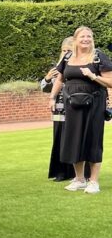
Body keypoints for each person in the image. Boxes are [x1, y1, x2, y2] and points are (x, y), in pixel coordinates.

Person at [50, 25, 112, 194]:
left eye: (89, 36)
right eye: (82, 36)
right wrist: (52, 98)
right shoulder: (68, 57)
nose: (86, 39)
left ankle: (93, 181)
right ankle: (79, 179)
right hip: (72, 105)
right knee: (73, 140)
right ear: (75, 39)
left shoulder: (99, 57)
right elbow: (59, 79)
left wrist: (93, 76)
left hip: (94, 105)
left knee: (93, 140)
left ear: (92, 39)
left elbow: (110, 82)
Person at [41, 38, 75, 182]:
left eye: (69, 50)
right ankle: (60, 172)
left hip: (74, 109)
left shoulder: (77, 67)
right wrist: (47, 78)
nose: (66, 53)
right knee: (59, 141)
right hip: (59, 111)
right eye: (64, 50)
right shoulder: (56, 69)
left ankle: (76, 173)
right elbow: (44, 88)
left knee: (74, 141)